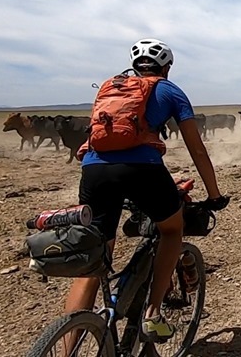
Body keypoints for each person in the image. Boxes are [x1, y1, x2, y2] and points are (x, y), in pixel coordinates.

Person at [66, 38, 228, 343]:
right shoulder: (169, 90)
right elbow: (197, 148)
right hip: (143, 170)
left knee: (95, 259)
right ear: (166, 67)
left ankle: (65, 347)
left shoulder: (110, 88)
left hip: (94, 170)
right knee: (172, 230)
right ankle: (153, 312)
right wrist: (214, 194)